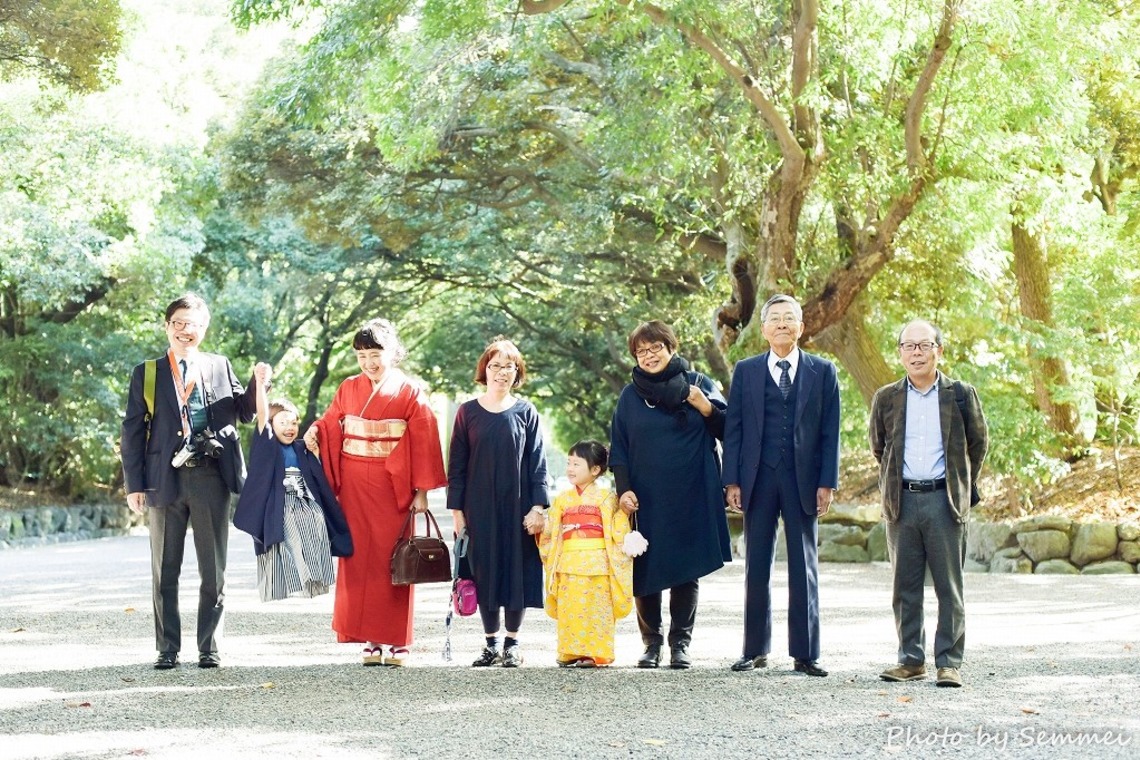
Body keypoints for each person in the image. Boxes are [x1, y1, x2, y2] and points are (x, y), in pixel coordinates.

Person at [120, 293, 258, 670]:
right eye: (178, 323)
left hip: (211, 477)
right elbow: (133, 430)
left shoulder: (218, 365)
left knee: (213, 568)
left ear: (204, 328)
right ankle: (167, 647)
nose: (185, 330)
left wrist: (257, 383)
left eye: (193, 324)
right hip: (163, 479)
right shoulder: (147, 372)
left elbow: (243, 413)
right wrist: (134, 484)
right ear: (167, 326)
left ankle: (209, 647)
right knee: (165, 568)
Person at [303, 319, 447, 667]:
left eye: (375, 354)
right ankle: (369, 637)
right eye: (362, 355)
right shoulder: (348, 388)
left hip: (392, 485)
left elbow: (424, 440)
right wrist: (316, 431)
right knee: (359, 561)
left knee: (396, 559)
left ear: (392, 352)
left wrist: (421, 491)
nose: (369, 362)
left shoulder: (410, 391)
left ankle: (397, 639)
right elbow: (330, 421)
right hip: (353, 483)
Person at [723, 294, 840, 677]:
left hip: (803, 478)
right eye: (774, 319)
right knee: (756, 563)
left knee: (804, 564)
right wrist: (732, 480)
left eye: (789, 319)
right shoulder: (746, 370)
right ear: (764, 328)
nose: (782, 324)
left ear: (801, 327)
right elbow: (734, 428)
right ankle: (754, 649)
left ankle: (806, 653)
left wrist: (827, 482)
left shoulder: (823, 372)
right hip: (757, 476)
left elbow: (829, 432)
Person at [869, 319, 988, 688]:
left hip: (944, 501)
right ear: (900, 353)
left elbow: (978, 444)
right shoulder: (887, 397)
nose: (916, 353)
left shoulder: (960, 394)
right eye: (909, 346)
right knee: (903, 587)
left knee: (949, 587)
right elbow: (879, 446)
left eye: (924, 346)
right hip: (902, 502)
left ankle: (949, 662)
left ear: (939, 350)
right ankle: (910, 660)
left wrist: (960, 485)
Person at [609, 320, 731, 670]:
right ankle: (651, 644)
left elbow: (729, 429)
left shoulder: (699, 383)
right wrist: (623, 489)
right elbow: (620, 447)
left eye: (655, 348)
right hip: (646, 495)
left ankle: (681, 643)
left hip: (693, 491)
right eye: (641, 351)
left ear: (671, 348)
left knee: (685, 568)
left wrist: (704, 406)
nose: (649, 356)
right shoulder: (631, 395)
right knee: (646, 567)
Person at [447, 337, 550, 668]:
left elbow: (537, 464)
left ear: (517, 372)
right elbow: (457, 468)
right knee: (483, 572)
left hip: (518, 508)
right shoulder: (467, 413)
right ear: (484, 370)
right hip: (479, 510)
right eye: (495, 366)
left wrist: (538, 508)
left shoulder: (526, 412)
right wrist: (458, 514)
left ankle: (512, 643)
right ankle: (490, 644)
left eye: (509, 367)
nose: (501, 373)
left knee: (516, 573)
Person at [233, 365, 353, 602]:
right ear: (270, 425)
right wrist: (260, 384)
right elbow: (262, 414)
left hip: (304, 497)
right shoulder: (267, 444)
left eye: (294, 423)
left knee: (317, 518)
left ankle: (314, 577)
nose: (290, 428)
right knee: (288, 523)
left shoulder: (301, 447)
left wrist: (316, 454)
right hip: (281, 501)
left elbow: (316, 475)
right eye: (283, 422)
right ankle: (284, 582)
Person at [538, 440, 633, 668]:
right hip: (568, 562)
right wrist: (540, 529)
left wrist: (624, 513)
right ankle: (569, 652)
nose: (570, 468)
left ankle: (594, 653)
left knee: (597, 610)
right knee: (571, 610)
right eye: (569, 463)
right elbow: (552, 532)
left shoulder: (607, 499)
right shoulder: (562, 500)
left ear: (595, 470)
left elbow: (617, 529)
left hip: (599, 563)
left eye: (576, 464)